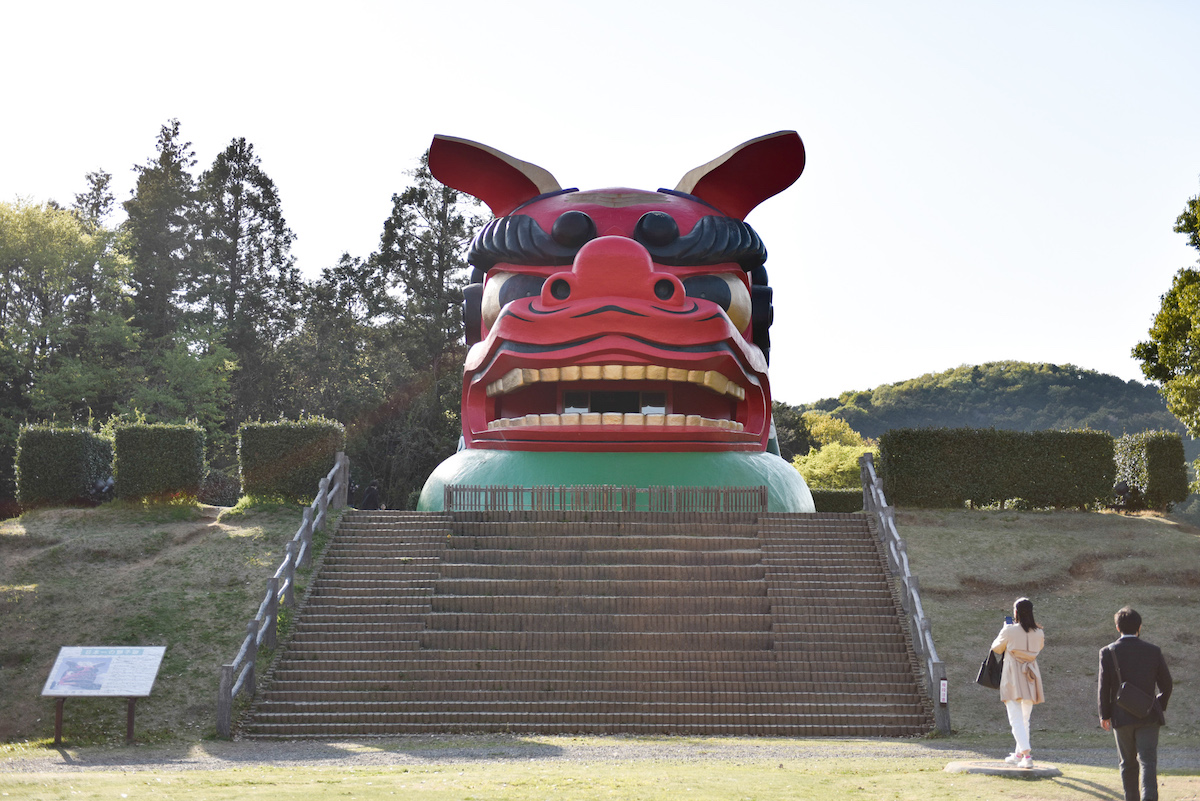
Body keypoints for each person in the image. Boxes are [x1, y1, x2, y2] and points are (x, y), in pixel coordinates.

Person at [1098, 606, 1173, 801]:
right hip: (1149, 716)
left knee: (1127, 763)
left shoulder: (1107, 652)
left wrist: (1104, 715)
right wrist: (1158, 704)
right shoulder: (1153, 651)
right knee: (1148, 761)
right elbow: (1167, 684)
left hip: (1121, 716)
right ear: (1139, 627)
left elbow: (1104, 688)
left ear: (1117, 627)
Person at [991, 597, 1044, 768]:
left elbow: (996, 648)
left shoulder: (1010, 630)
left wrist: (1005, 629)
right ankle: (1019, 754)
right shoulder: (1039, 633)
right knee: (1025, 718)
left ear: (1016, 612)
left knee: (1015, 718)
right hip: (1031, 675)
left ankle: (1027, 756)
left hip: (1013, 676)